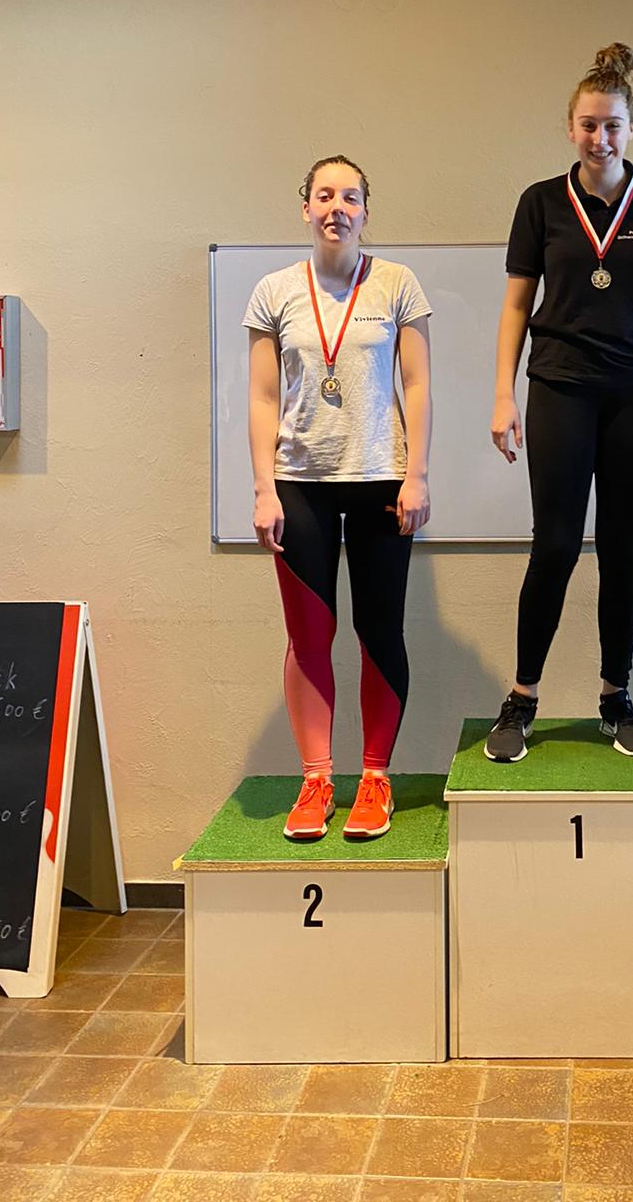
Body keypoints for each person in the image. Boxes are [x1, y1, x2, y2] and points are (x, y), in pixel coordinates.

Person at [486, 43, 633, 761]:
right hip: (559, 386)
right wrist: (503, 395)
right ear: (570, 127)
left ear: (631, 128)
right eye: (588, 125)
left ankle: (616, 697)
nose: (599, 138)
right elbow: (516, 307)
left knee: (621, 548)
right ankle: (522, 699)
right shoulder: (540, 202)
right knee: (553, 546)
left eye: (612, 126)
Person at [246, 156, 432, 841]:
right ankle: (317, 780)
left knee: (380, 631)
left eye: (350, 197)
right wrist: (263, 489)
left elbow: (418, 385)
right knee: (308, 637)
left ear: (365, 211)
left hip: (382, 476)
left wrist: (418, 474)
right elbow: (262, 396)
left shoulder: (397, 284)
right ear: (306, 207)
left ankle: (375, 778)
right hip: (300, 484)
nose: (337, 208)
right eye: (325, 195)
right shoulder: (273, 291)